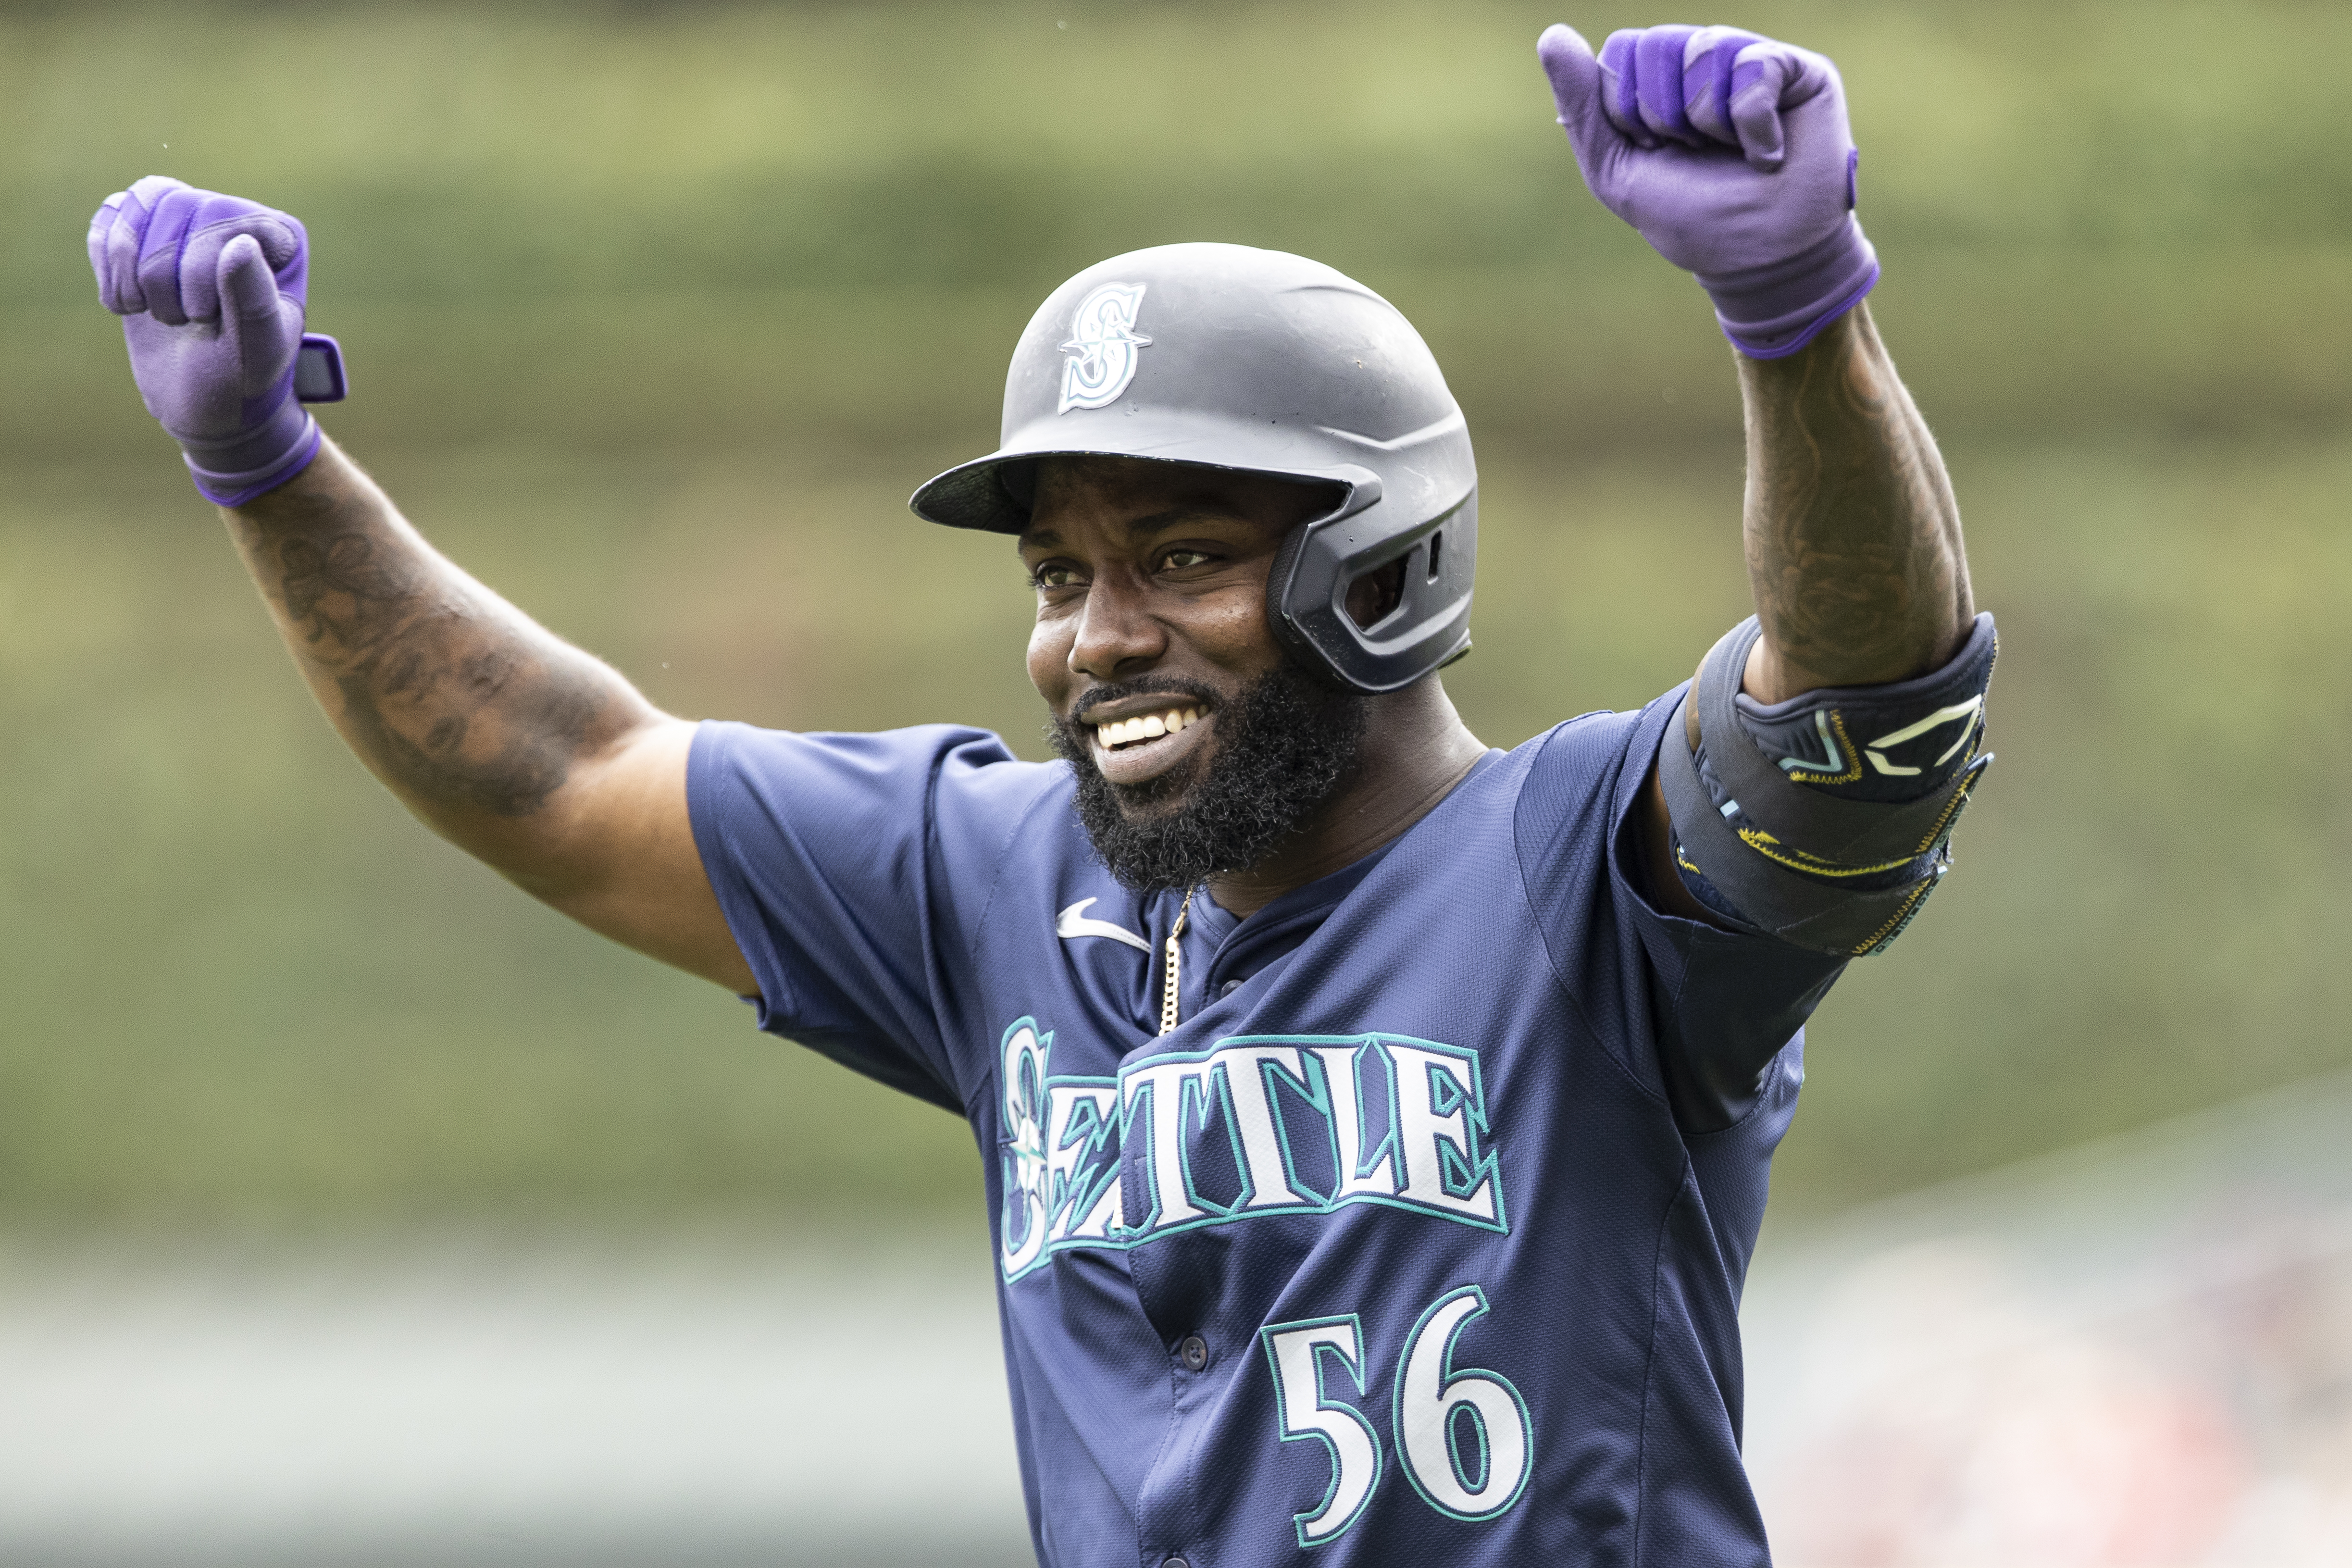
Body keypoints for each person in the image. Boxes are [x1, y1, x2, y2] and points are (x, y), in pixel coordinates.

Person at [87, 21, 1992, 1567]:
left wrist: (1796, 315)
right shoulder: (998, 889)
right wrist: (269, 467)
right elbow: (566, 773)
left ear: (1387, 563)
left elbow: (1859, 706)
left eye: (1179, 555)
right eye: (1061, 577)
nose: (1097, 637)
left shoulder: (1581, 878)